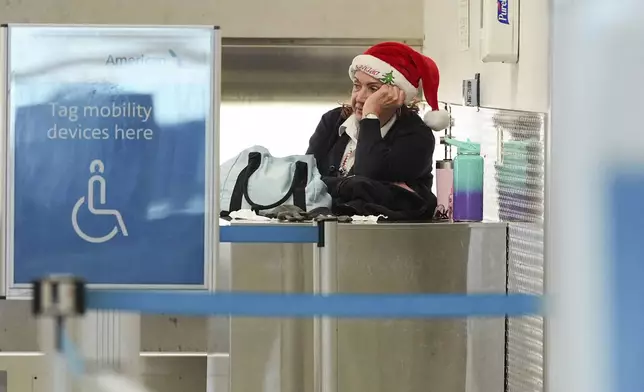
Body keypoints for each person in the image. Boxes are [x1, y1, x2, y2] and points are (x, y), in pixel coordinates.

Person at [306, 42, 450, 220]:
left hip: (390, 237)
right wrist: (351, 185)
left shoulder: (417, 136)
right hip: (330, 231)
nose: (359, 97)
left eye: (373, 89)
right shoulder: (332, 121)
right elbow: (305, 179)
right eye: (357, 85)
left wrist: (371, 116)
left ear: (397, 96)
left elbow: (367, 172)